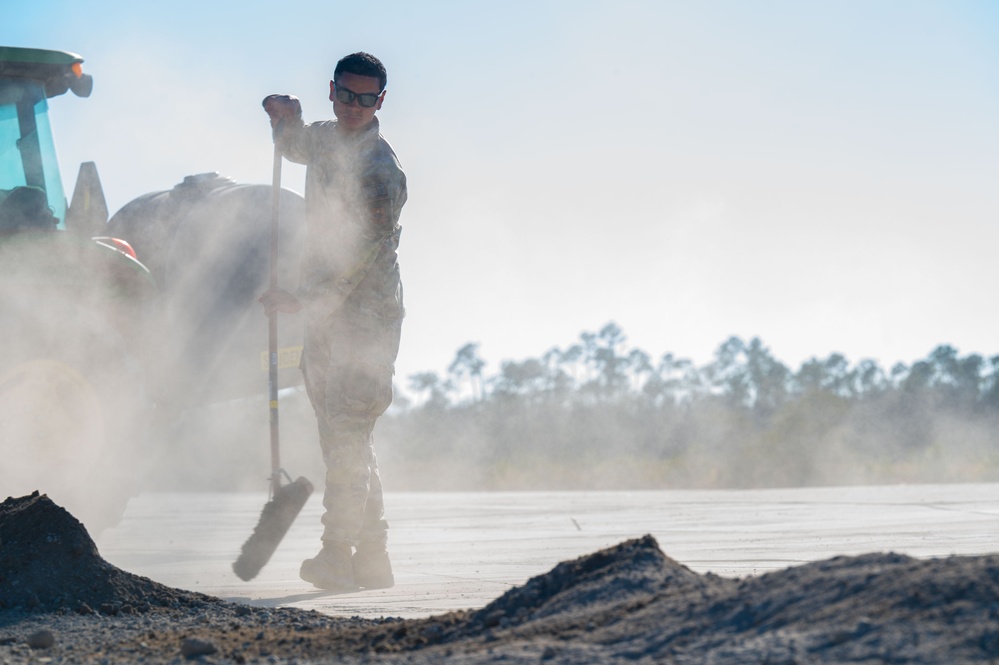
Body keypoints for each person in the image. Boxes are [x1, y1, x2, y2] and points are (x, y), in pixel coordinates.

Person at [260, 52, 407, 591]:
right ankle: (373, 557)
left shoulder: (380, 171)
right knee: (347, 439)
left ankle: (335, 556)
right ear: (333, 90)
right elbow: (293, 146)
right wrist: (282, 117)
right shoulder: (325, 140)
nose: (354, 107)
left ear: (380, 103)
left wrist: (304, 300)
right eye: (346, 95)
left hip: (366, 321)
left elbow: (362, 254)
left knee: (348, 435)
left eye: (366, 99)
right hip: (324, 319)